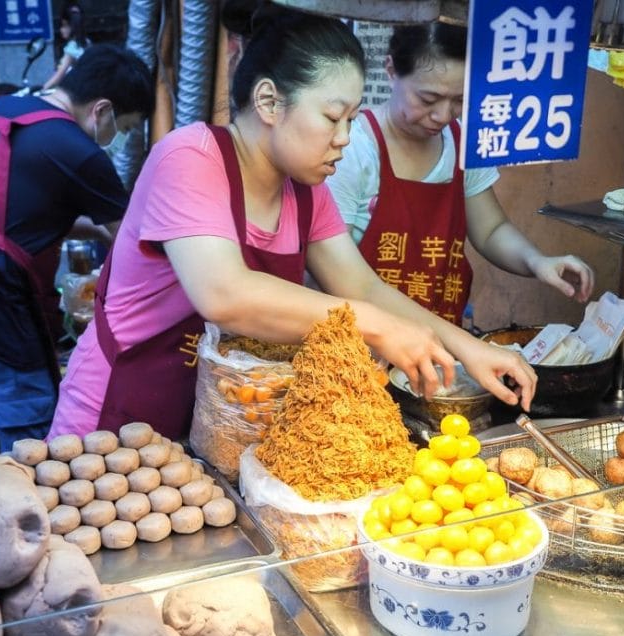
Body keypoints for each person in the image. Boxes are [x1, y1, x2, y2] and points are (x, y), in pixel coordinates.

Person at [49, 5, 537, 441]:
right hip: (116, 415)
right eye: (332, 118)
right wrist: (378, 328)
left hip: (224, 421)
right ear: (268, 102)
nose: (344, 138)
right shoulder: (190, 156)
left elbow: (362, 288)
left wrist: (466, 349)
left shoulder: (307, 193)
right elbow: (225, 295)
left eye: (351, 119)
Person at [0, 44, 154, 456]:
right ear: (102, 110)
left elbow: (12, 218)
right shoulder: (79, 153)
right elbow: (136, 242)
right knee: (35, 449)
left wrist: (97, 234)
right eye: (126, 127)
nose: (121, 139)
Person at [326, 21, 594, 326]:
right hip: (360, 342)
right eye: (427, 100)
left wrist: (537, 262)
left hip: (440, 341)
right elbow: (336, 270)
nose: (442, 115)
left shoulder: (461, 142)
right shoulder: (352, 150)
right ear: (391, 71)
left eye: (460, 100)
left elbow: (490, 229)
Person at [42, 4, 89, 92]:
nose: (61, 30)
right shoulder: (86, 42)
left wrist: (43, 89)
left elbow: (60, 73)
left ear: (72, 27)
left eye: (64, 26)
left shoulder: (72, 47)